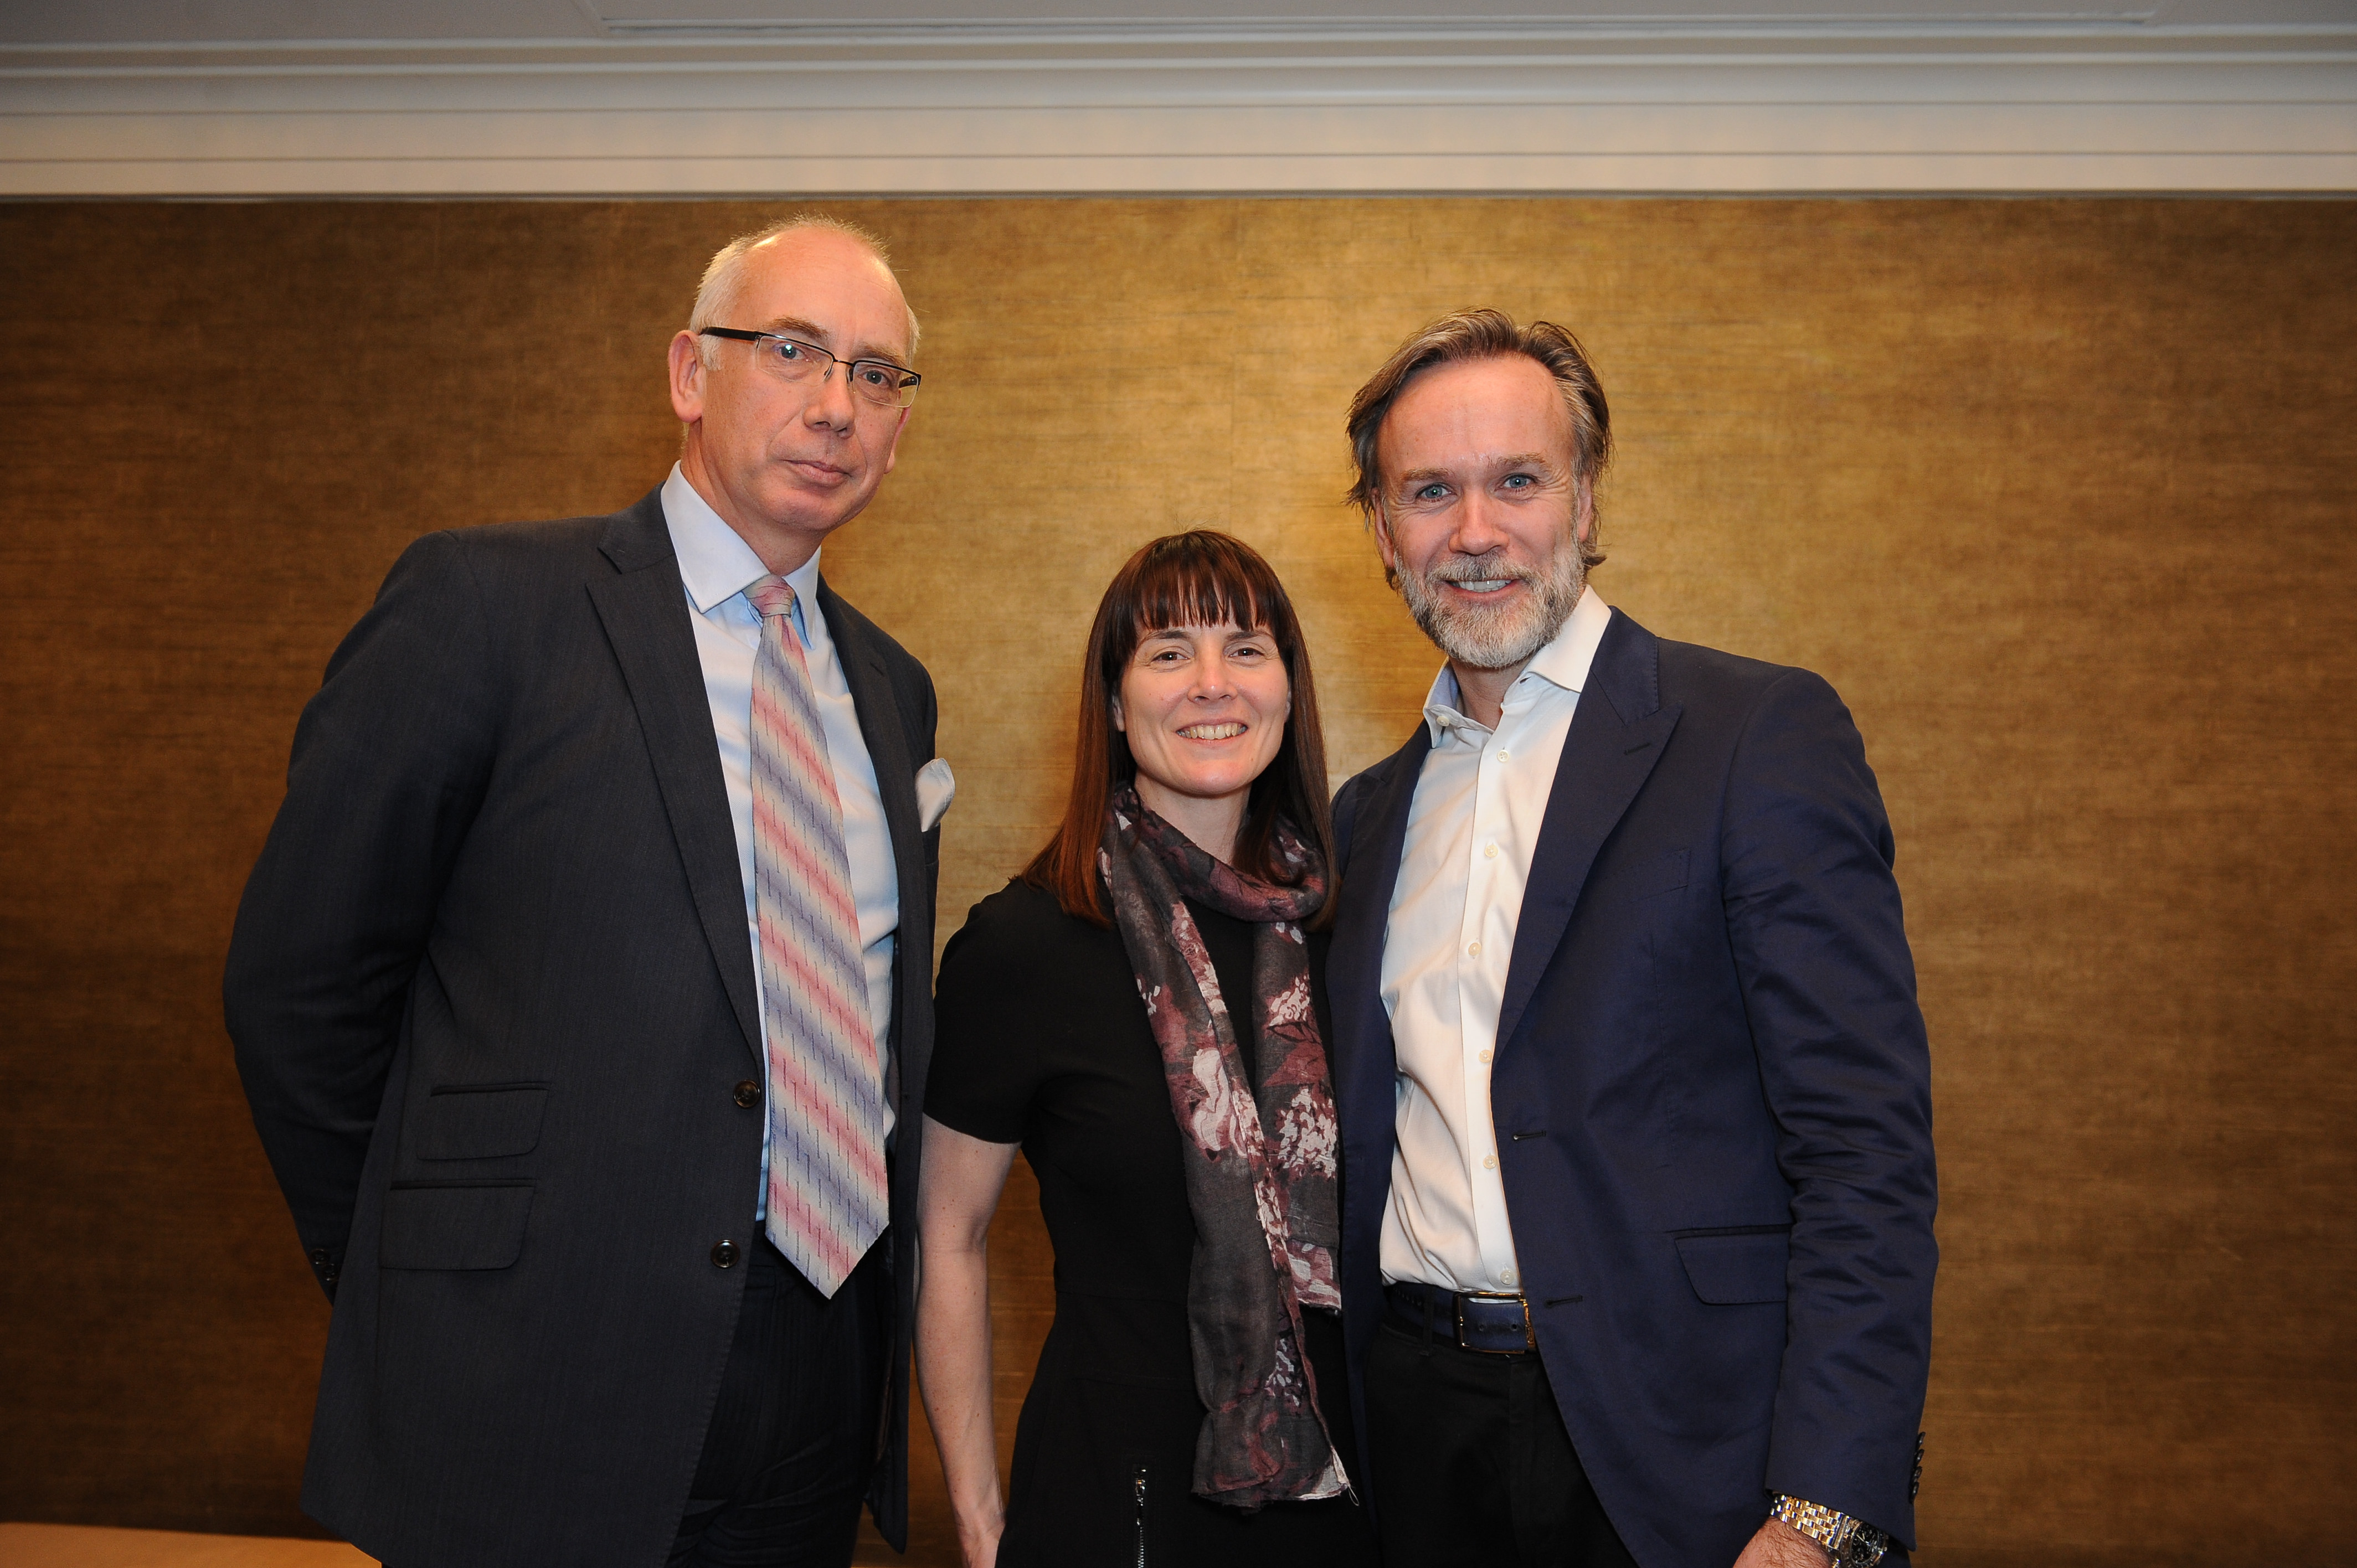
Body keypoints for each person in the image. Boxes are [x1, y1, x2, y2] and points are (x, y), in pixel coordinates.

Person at [224, 215, 950, 1568]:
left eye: (878, 374)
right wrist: (420, 1282)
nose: (836, 405)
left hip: (816, 1374)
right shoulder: (487, 604)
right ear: (690, 371)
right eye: (793, 350)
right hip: (526, 1379)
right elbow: (301, 987)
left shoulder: (892, 691)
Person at [1324, 309, 1938, 1568]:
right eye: (1430, 491)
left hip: (1687, 1453)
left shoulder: (1754, 736)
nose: (1476, 532)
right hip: (1415, 1435)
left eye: (1518, 481)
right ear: (1384, 535)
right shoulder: (1366, 818)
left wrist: (1821, 1508)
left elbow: (1862, 1153)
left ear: (1587, 503)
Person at [915, 532, 1378, 1568]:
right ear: (1115, 704)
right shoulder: (1023, 946)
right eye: (1168, 652)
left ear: (1290, 692)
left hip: (1347, 1501)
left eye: (1245, 648)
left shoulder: (1354, 932)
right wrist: (982, 1522)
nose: (1212, 684)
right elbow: (946, 1235)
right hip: (1113, 1494)